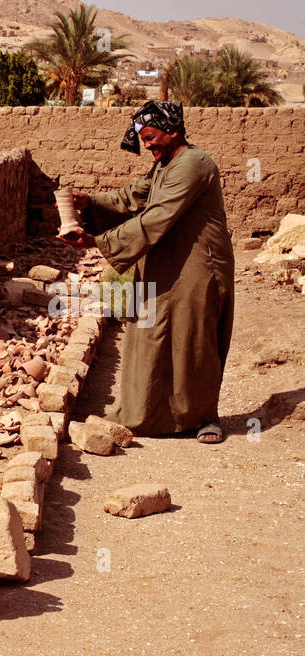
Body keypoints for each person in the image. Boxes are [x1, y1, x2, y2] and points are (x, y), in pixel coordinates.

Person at [60, 100, 235, 443]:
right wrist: (90, 203)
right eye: (143, 140)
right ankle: (148, 416)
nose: (148, 145)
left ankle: (203, 418)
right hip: (164, 261)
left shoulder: (193, 165)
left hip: (199, 265)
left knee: (194, 340)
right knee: (151, 336)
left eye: (152, 137)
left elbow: (156, 217)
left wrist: (97, 241)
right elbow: (134, 197)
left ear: (172, 131)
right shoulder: (164, 165)